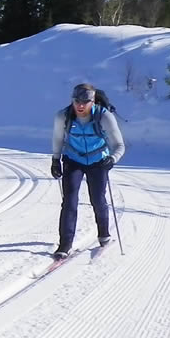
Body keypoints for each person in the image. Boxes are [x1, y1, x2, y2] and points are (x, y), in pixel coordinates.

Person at [51, 83, 125, 259]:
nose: (80, 105)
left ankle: (104, 234)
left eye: (85, 101)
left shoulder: (104, 116)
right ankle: (65, 243)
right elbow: (57, 138)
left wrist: (112, 159)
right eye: (77, 101)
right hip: (73, 159)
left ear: (93, 101)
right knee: (69, 201)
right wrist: (55, 160)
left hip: (98, 160)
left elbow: (119, 145)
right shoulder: (64, 116)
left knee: (98, 199)